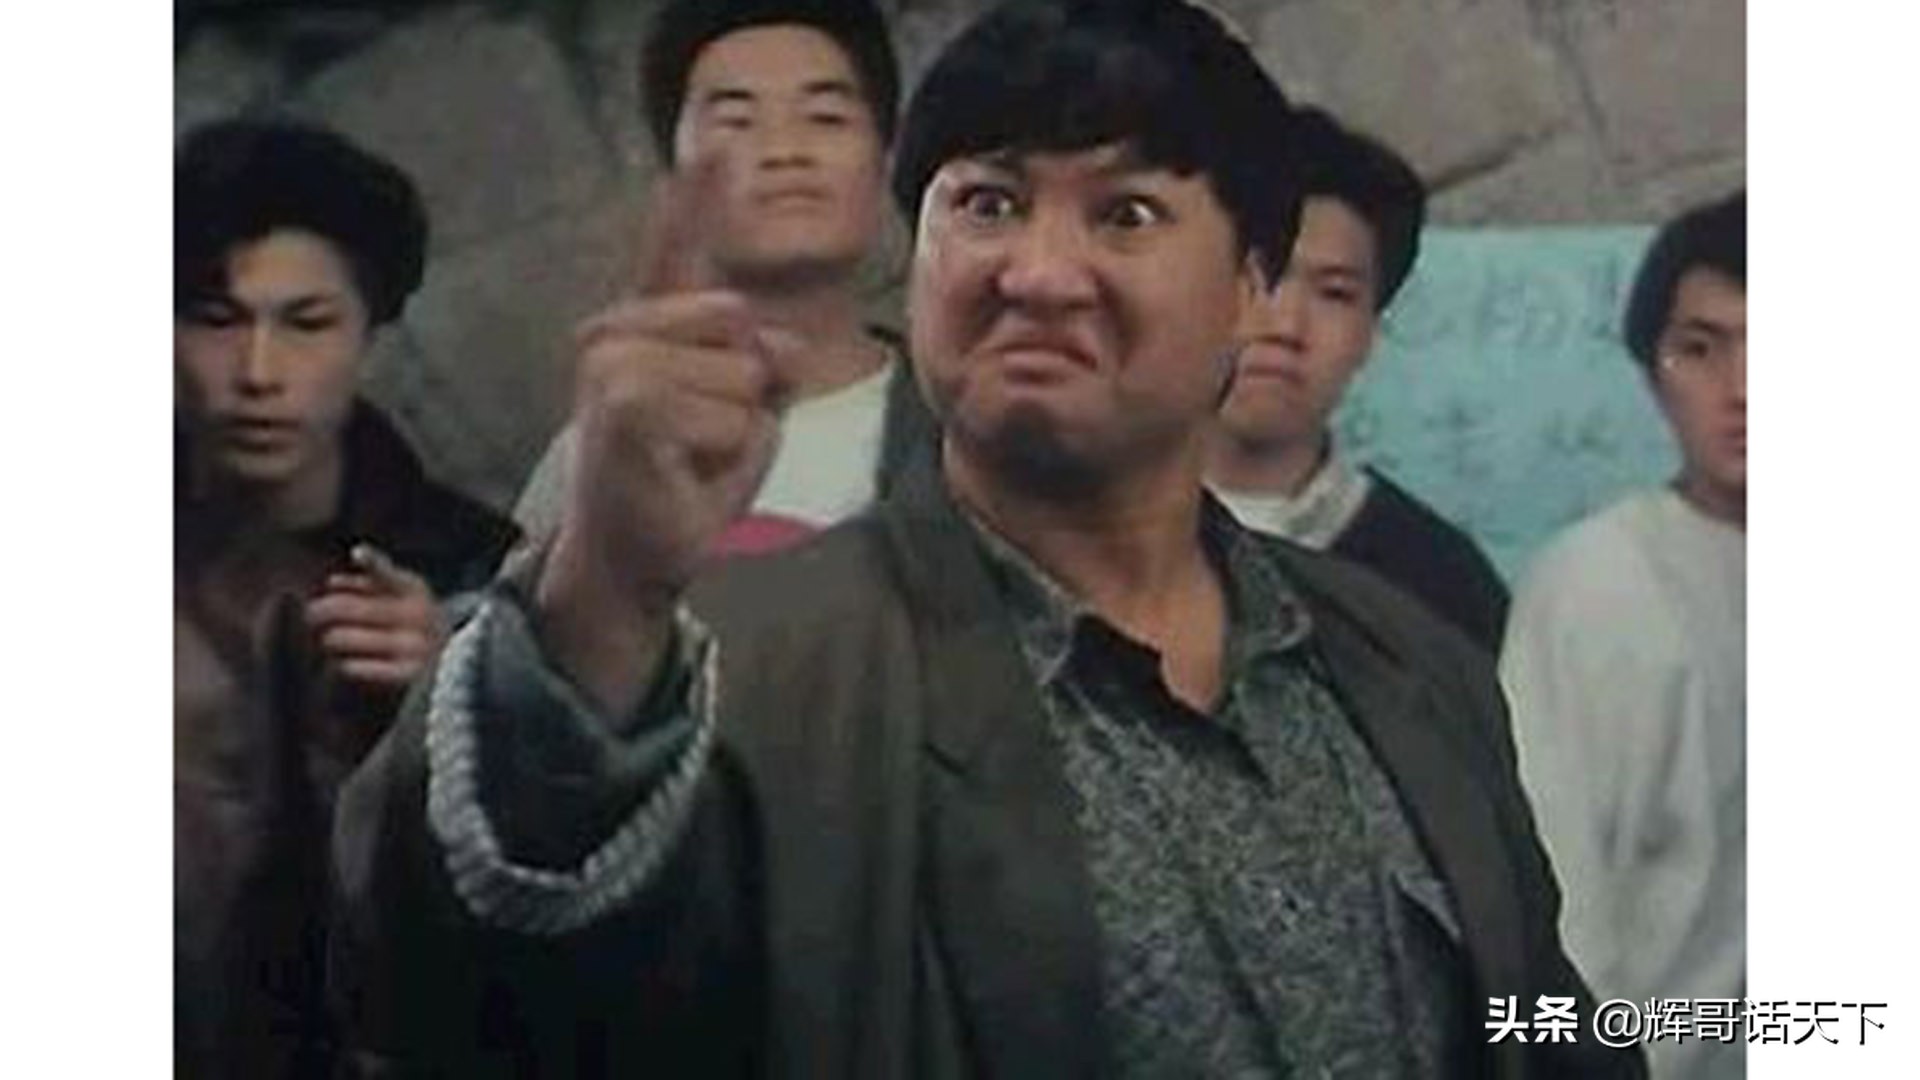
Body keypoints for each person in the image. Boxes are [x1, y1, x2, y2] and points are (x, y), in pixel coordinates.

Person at [334, 2, 1641, 1076]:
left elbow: (1545, 1020)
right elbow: (450, 998)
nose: (1039, 271)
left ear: (1252, 289)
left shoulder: (1409, 662)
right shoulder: (746, 674)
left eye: (1125, 214)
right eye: (989, 204)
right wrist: (604, 592)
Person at [174, 118, 519, 1078]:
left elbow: (549, 889)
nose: (258, 373)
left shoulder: (470, 564)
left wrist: (452, 699)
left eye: (307, 323)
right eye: (215, 319)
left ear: (369, 332)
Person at [513, 0, 936, 553]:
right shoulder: (608, 449)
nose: (785, 152)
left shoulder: (973, 416)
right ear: (673, 179)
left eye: (825, 118)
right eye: (736, 123)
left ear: (883, 163)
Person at [1500, 191, 1746, 1079]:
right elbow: (1553, 895)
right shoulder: (1595, 584)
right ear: (1652, 374)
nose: (1745, 389)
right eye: (1701, 349)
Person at [1207, 107, 1509, 651]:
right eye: (1262, 274)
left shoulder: (1441, 582)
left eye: (1335, 293)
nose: (1285, 325)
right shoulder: (1070, 536)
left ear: (1370, 334)